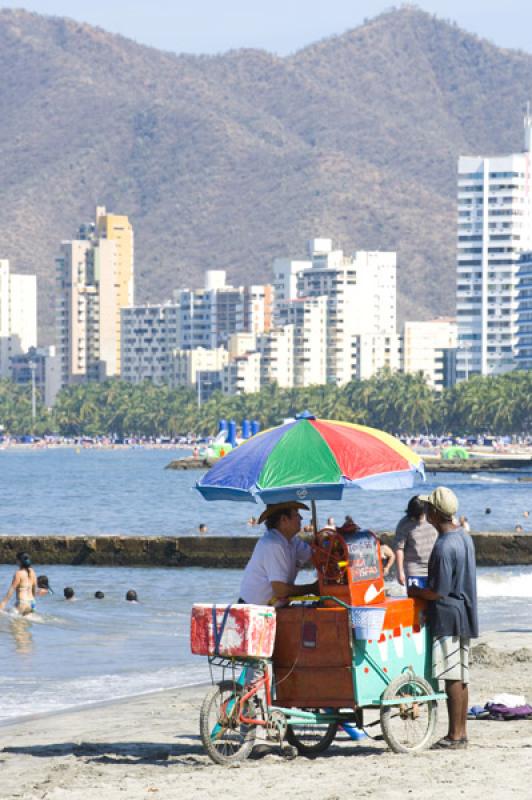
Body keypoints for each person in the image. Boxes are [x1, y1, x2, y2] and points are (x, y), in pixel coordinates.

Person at [409, 487, 478, 750]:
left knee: (451, 677)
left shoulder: (443, 546)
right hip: (465, 611)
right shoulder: (464, 537)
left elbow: (437, 591)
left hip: (448, 615)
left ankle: (454, 735)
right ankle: (461, 733)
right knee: (461, 675)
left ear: (435, 513)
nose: (424, 511)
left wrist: (415, 591)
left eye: (428, 508)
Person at [239, 501, 319, 606]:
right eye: (296, 514)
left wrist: (324, 544)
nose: (301, 518)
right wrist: (312, 588)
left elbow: (316, 557)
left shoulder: (292, 540)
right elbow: (280, 590)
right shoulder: (273, 544)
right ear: (284, 520)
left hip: (273, 608)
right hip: (253, 611)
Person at [394, 496, 438, 589]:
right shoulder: (404, 523)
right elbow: (399, 548)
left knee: (434, 601)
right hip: (414, 569)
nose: (413, 519)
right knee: (416, 601)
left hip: (434, 568)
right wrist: (400, 571)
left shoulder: (433, 518)